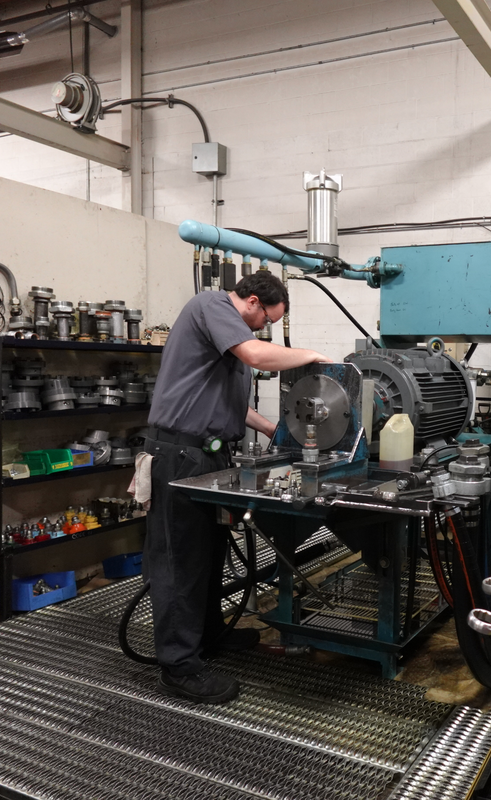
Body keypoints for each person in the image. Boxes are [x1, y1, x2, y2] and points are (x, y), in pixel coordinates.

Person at [143, 271, 328, 704]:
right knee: (179, 562)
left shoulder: (227, 331)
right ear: (250, 301)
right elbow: (259, 357)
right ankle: (178, 667)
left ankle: (207, 637)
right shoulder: (211, 305)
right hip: (178, 454)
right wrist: (312, 356)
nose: (261, 329)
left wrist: (274, 430)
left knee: (208, 553)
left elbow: (228, 403)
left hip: (207, 455)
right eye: (264, 320)